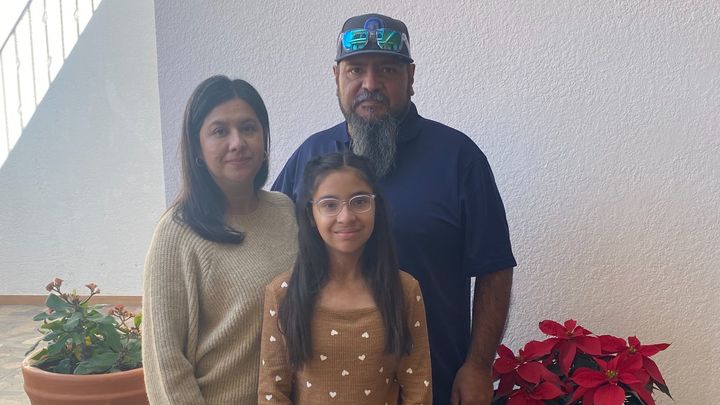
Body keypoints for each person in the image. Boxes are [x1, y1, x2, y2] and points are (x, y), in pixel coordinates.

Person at [272, 14, 516, 405]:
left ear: (410, 77)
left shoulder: (459, 158)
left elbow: (494, 268)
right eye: (356, 70)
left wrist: (478, 365)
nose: (370, 84)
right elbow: (271, 251)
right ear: (336, 77)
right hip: (328, 391)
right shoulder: (309, 158)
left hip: (436, 384)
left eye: (386, 69)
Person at [143, 75, 298, 404]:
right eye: (219, 131)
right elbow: (165, 365)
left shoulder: (285, 211)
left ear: (265, 138)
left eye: (248, 128)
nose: (237, 142)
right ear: (197, 147)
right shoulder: (176, 234)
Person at [259, 152, 431, 404]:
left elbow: (418, 389)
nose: (346, 217)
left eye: (359, 201)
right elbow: (273, 392)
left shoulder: (404, 290)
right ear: (311, 214)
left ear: (376, 207)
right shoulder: (282, 293)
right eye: (330, 205)